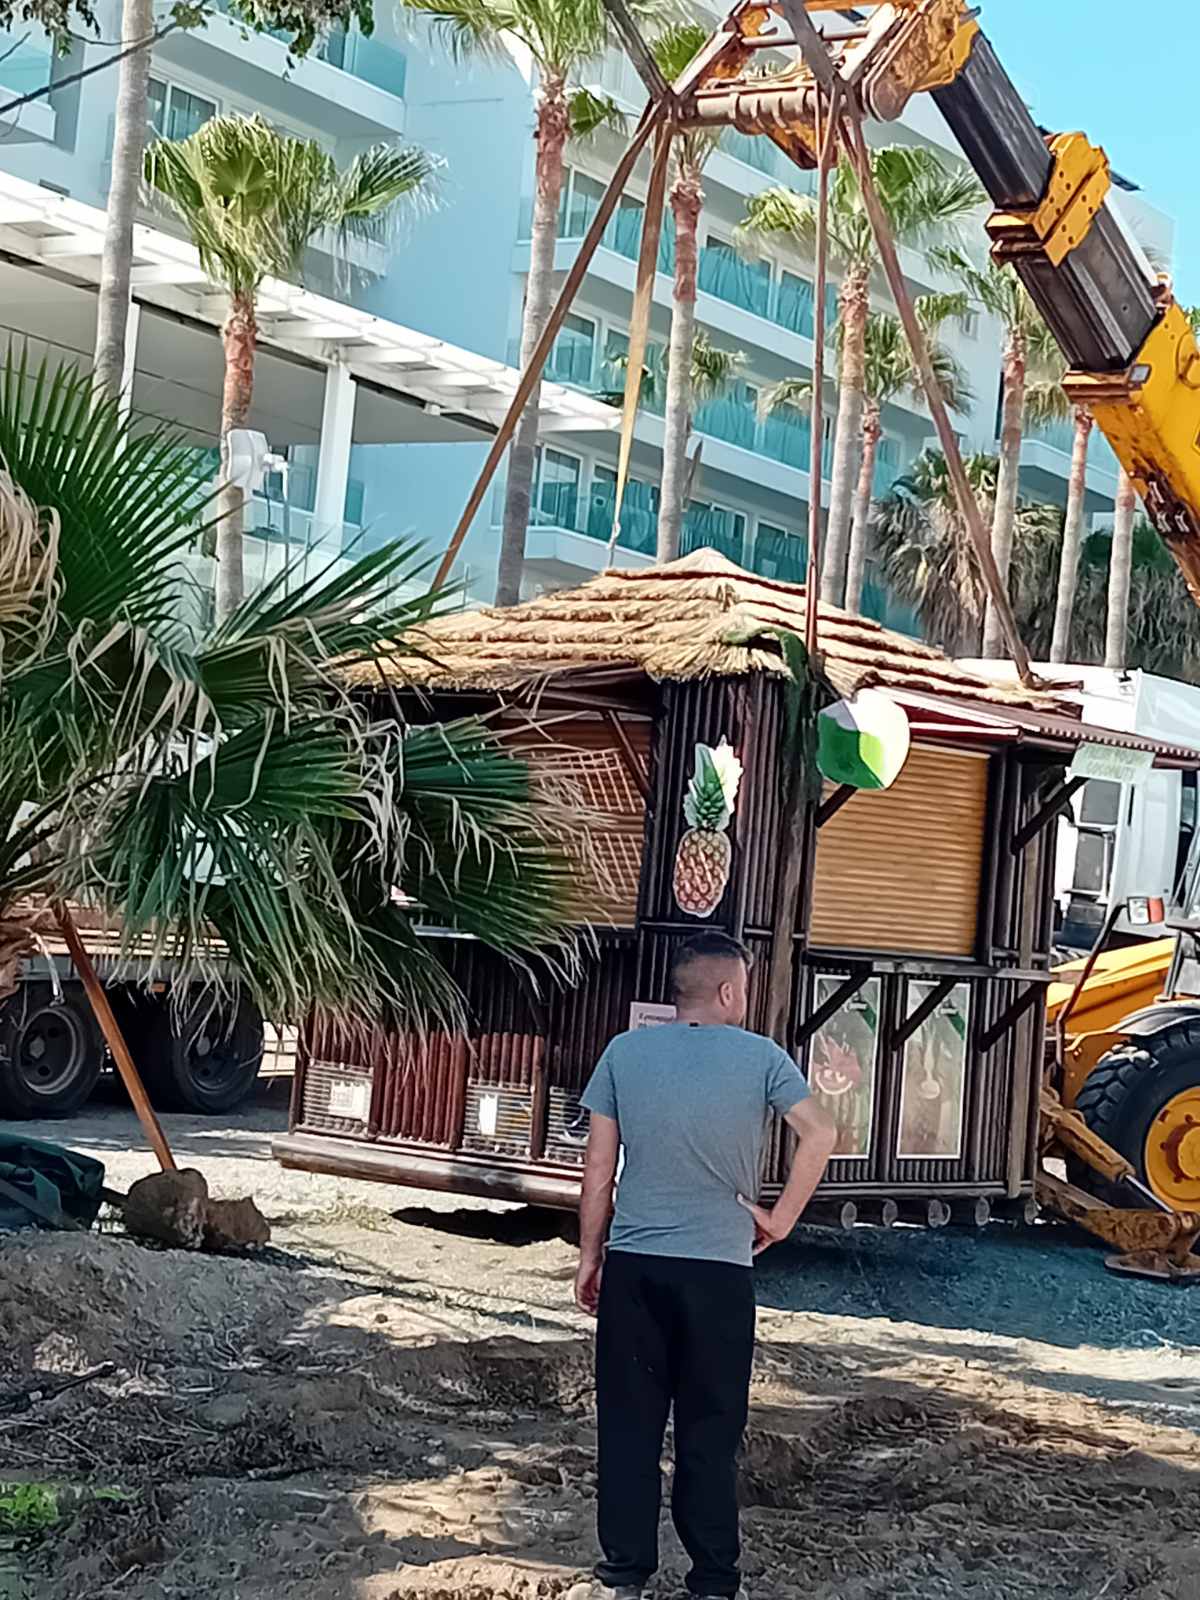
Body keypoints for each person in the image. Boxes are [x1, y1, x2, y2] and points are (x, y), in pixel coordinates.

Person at [574, 931, 837, 1600]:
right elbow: (821, 1133)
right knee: (710, 1432)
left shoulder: (623, 1053)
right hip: (719, 1274)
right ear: (726, 991)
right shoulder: (762, 1057)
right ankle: (713, 1579)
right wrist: (781, 1219)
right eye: (744, 988)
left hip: (636, 1267)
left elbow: (598, 1171)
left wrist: (590, 1257)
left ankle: (624, 1575)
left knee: (628, 1429)